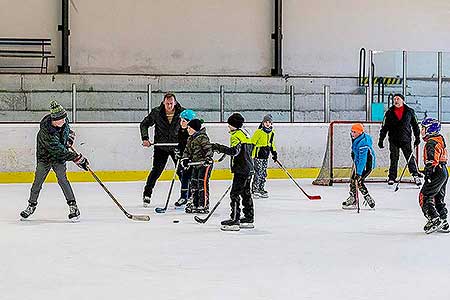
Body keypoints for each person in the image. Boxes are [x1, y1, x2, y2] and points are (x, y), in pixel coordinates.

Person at [20, 101, 89, 221]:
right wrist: (77, 158)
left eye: (64, 118)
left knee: (63, 180)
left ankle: (73, 206)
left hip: (58, 159)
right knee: (37, 183)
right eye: (61, 120)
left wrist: (69, 137)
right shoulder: (45, 132)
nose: (64, 121)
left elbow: (67, 130)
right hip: (45, 159)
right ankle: (31, 205)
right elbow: (58, 151)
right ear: (54, 120)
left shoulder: (63, 121)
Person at [140, 93, 185, 207]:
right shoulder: (157, 112)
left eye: (171, 103)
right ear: (163, 103)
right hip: (161, 147)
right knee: (156, 171)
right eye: (167, 103)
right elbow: (144, 124)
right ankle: (147, 194)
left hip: (177, 147)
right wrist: (145, 138)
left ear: (175, 102)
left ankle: (186, 196)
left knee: (182, 172)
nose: (169, 106)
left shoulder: (182, 113)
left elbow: (190, 127)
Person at [212, 113, 254, 231]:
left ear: (233, 125)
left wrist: (218, 147)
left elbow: (234, 151)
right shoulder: (245, 133)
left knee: (234, 194)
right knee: (246, 193)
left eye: (229, 124)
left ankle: (234, 219)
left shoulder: (235, 135)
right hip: (249, 168)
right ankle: (249, 218)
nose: (228, 127)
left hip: (241, 169)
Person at [378, 93, 421, 186]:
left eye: (398, 99)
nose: (396, 100)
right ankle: (392, 177)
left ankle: (415, 175)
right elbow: (384, 127)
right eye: (394, 99)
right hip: (393, 140)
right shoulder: (389, 112)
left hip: (406, 139)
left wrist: (417, 137)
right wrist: (381, 139)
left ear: (402, 100)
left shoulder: (410, 111)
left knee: (409, 158)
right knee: (394, 158)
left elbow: (415, 126)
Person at [418, 118, 449, 234]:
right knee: (438, 198)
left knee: (425, 196)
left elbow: (431, 160)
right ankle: (443, 220)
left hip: (436, 171)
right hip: (444, 171)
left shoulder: (431, 143)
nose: (421, 131)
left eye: (423, 128)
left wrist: (428, 173)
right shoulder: (439, 139)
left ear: (430, 129)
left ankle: (435, 219)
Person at [180, 119, 213, 214]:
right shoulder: (190, 138)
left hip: (204, 165)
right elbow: (187, 150)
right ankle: (195, 203)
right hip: (195, 164)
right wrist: (185, 159)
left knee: (202, 184)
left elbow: (208, 149)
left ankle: (203, 204)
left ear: (194, 129)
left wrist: (208, 158)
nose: (188, 130)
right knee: (193, 184)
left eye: (189, 128)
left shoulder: (203, 138)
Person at [342, 123, 376, 210]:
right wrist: (353, 154)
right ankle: (353, 198)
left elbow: (363, 160)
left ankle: (368, 198)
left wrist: (359, 173)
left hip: (366, 165)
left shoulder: (364, 143)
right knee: (353, 180)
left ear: (360, 133)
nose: (352, 134)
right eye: (352, 132)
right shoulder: (356, 137)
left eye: (354, 132)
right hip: (358, 163)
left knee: (358, 180)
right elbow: (356, 150)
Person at [174, 109, 197, 207]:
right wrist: (178, 151)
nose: (181, 123)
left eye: (183, 121)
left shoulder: (193, 133)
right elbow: (181, 144)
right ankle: (184, 196)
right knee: (183, 176)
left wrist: (190, 157)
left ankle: (193, 196)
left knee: (192, 178)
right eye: (181, 120)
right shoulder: (181, 131)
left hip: (192, 160)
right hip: (185, 159)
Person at [251, 114, 277, 198]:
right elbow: (252, 143)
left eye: (269, 122)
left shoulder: (271, 133)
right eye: (266, 122)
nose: (268, 124)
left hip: (266, 155)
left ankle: (261, 189)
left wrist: (274, 153)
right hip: (258, 155)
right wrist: (249, 154)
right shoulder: (259, 132)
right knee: (258, 172)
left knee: (263, 173)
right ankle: (255, 189)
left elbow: (271, 144)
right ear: (263, 123)